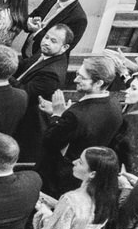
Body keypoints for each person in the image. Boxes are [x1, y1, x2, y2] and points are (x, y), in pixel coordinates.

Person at [39, 55, 124, 196]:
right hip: (85, 176)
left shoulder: (75, 115)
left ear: (98, 83)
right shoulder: (114, 105)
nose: (75, 79)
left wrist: (57, 115)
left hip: (59, 178)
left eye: (82, 77)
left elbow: (50, 141)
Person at [34, 146, 120, 229]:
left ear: (92, 174)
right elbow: (81, 215)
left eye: (80, 162)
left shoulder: (70, 199)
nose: (74, 162)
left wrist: (44, 212)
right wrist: (50, 201)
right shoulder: (108, 198)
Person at [13, 23, 72, 164]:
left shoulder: (52, 74)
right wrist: (8, 57)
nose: (46, 42)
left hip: (28, 125)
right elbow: (26, 64)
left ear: (64, 47)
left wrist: (3, 71)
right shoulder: (45, 52)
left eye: (53, 41)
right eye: (46, 37)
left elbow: (23, 92)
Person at [23, 0, 89, 60]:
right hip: (26, 57)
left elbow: (59, 50)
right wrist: (30, 23)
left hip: (43, 65)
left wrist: (37, 31)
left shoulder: (79, 18)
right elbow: (29, 19)